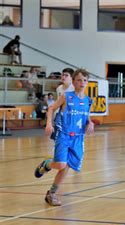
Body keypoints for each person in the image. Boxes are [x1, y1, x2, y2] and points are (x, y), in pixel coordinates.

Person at [34, 69, 94, 206]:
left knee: (67, 166)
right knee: (61, 164)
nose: (82, 82)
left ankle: (52, 193)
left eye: (85, 80)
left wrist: (90, 123)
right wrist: (49, 124)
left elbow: (87, 118)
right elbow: (51, 108)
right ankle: (46, 164)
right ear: (73, 82)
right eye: (79, 80)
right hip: (63, 134)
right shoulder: (66, 96)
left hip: (78, 138)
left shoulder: (88, 101)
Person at [51, 68, 75, 140]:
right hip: (60, 114)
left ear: (72, 78)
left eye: (66, 75)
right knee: (57, 136)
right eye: (62, 75)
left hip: (71, 116)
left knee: (71, 136)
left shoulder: (74, 88)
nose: (63, 77)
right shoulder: (59, 88)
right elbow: (58, 102)